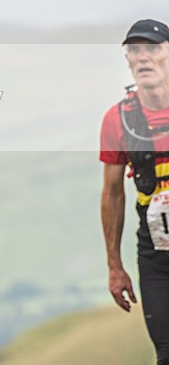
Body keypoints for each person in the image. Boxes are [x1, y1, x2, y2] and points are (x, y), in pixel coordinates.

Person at [100, 18, 169, 365]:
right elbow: (112, 192)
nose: (143, 57)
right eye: (135, 50)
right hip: (157, 255)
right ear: (127, 60)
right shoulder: (119, 119)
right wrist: (115, 265)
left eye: (153, 49)